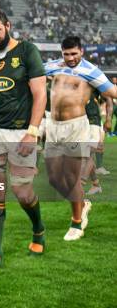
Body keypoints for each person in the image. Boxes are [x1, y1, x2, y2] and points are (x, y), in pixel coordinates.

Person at [0, 9, 47, 270]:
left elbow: (40, 94)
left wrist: (33, 131)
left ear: (8, 26)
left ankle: (38, 228)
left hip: (20, 132)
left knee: (22, 191)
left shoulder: (28, 52)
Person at [44, 36, 117, 240]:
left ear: (81, 51)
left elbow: (112, 91)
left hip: (76, 127)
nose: (70, 58)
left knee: (71, 177)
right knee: (53, 178)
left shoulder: (91, 70)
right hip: (53, 126)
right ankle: (83, 204)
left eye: (74, 53)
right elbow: (29, 71)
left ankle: (77, 223)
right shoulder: (52, 66)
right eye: (66, 54)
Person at [82, 91, 112, 194]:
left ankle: (81, 184)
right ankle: (96, 185)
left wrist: (108, 119)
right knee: (85, 156)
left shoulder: (93, 78)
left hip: (93, 121)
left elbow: (109, 98)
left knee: (88, 155)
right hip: (81, 121)